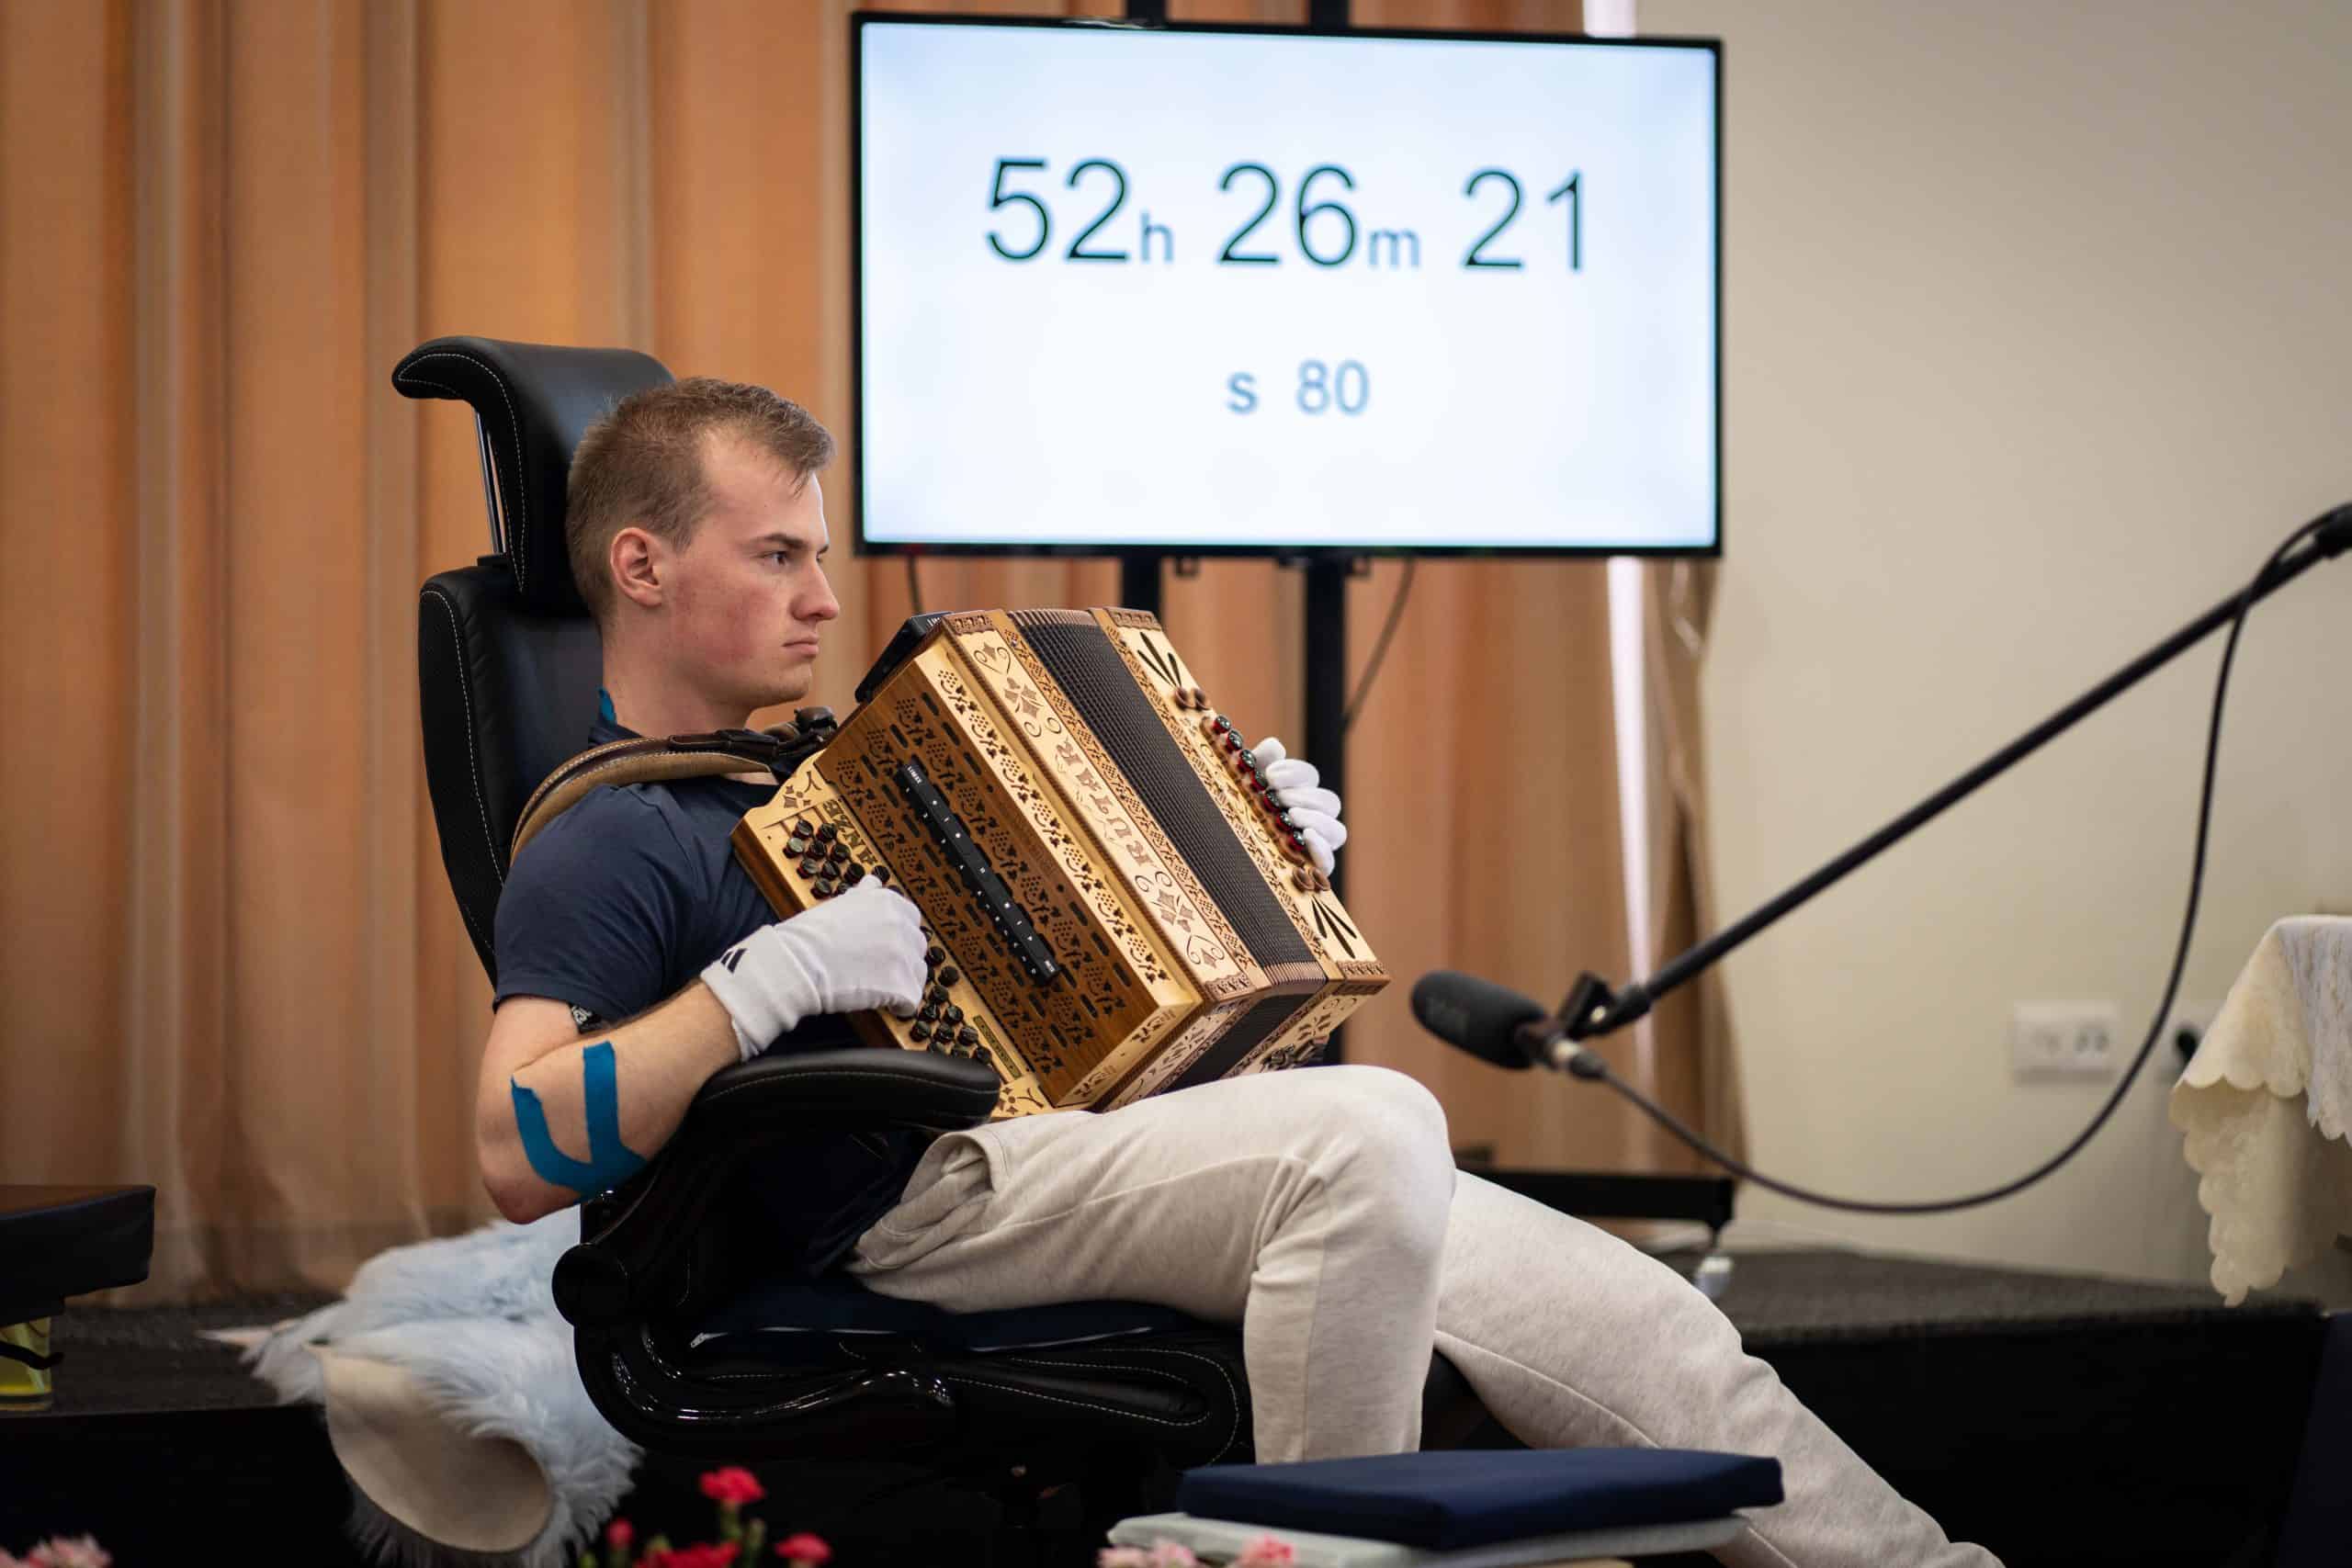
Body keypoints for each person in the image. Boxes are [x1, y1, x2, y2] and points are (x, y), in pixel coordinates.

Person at [479, 378, 1999, 1568]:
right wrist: (752, 993)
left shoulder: (821, 771)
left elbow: (1065, 993)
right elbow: (514, 1151)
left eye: (821, 554)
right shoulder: (611, 834)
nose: (823, 594)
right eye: (779, 556)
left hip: (1055, 1142)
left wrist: (1244, 856)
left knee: (1642, 1324)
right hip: (911, 1201)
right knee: (1370, 1127)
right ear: (642, 565)